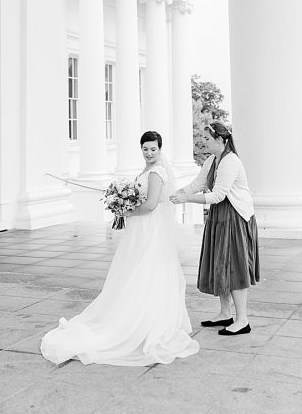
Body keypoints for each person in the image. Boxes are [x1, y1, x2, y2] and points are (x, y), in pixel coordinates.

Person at [41, 131, 199, 366]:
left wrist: (125, 211)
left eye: (153, 149)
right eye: (145, 149)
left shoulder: (156, 172)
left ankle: (145, 323)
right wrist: (124, 201)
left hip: (149, 229)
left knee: (146, 272)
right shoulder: (146, 170)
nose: (149, 153)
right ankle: (136, 319)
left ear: (160, 149)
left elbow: (151, 205)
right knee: (134, 271)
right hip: (140, 229)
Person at [170, 121, 259, 336]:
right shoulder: (212, 160)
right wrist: (174, 193)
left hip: (235, 218)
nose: (204, 142)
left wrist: (186, 199)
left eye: (208, 139)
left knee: (235, 267)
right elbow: (198, 184)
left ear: (220, 140)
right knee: (221, 264)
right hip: (220, 216)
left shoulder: (230, 162)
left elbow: (218, 195)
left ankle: (242, 320)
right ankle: (225, 313)